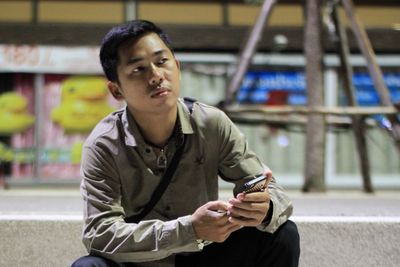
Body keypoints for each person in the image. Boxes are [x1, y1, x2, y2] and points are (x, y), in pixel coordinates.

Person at [72, 20, 300, 267]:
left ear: (177, 67)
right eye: (138, 69)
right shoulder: (103, 145)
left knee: (282, 235)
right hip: (138, 263)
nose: (156, 76)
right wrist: (189, 229)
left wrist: (264, 209)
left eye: (162, 62)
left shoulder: (210, 123)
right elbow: (99, 235)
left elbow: (273, 192)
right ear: (116, 90)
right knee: (88, 266)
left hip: (202, 257)